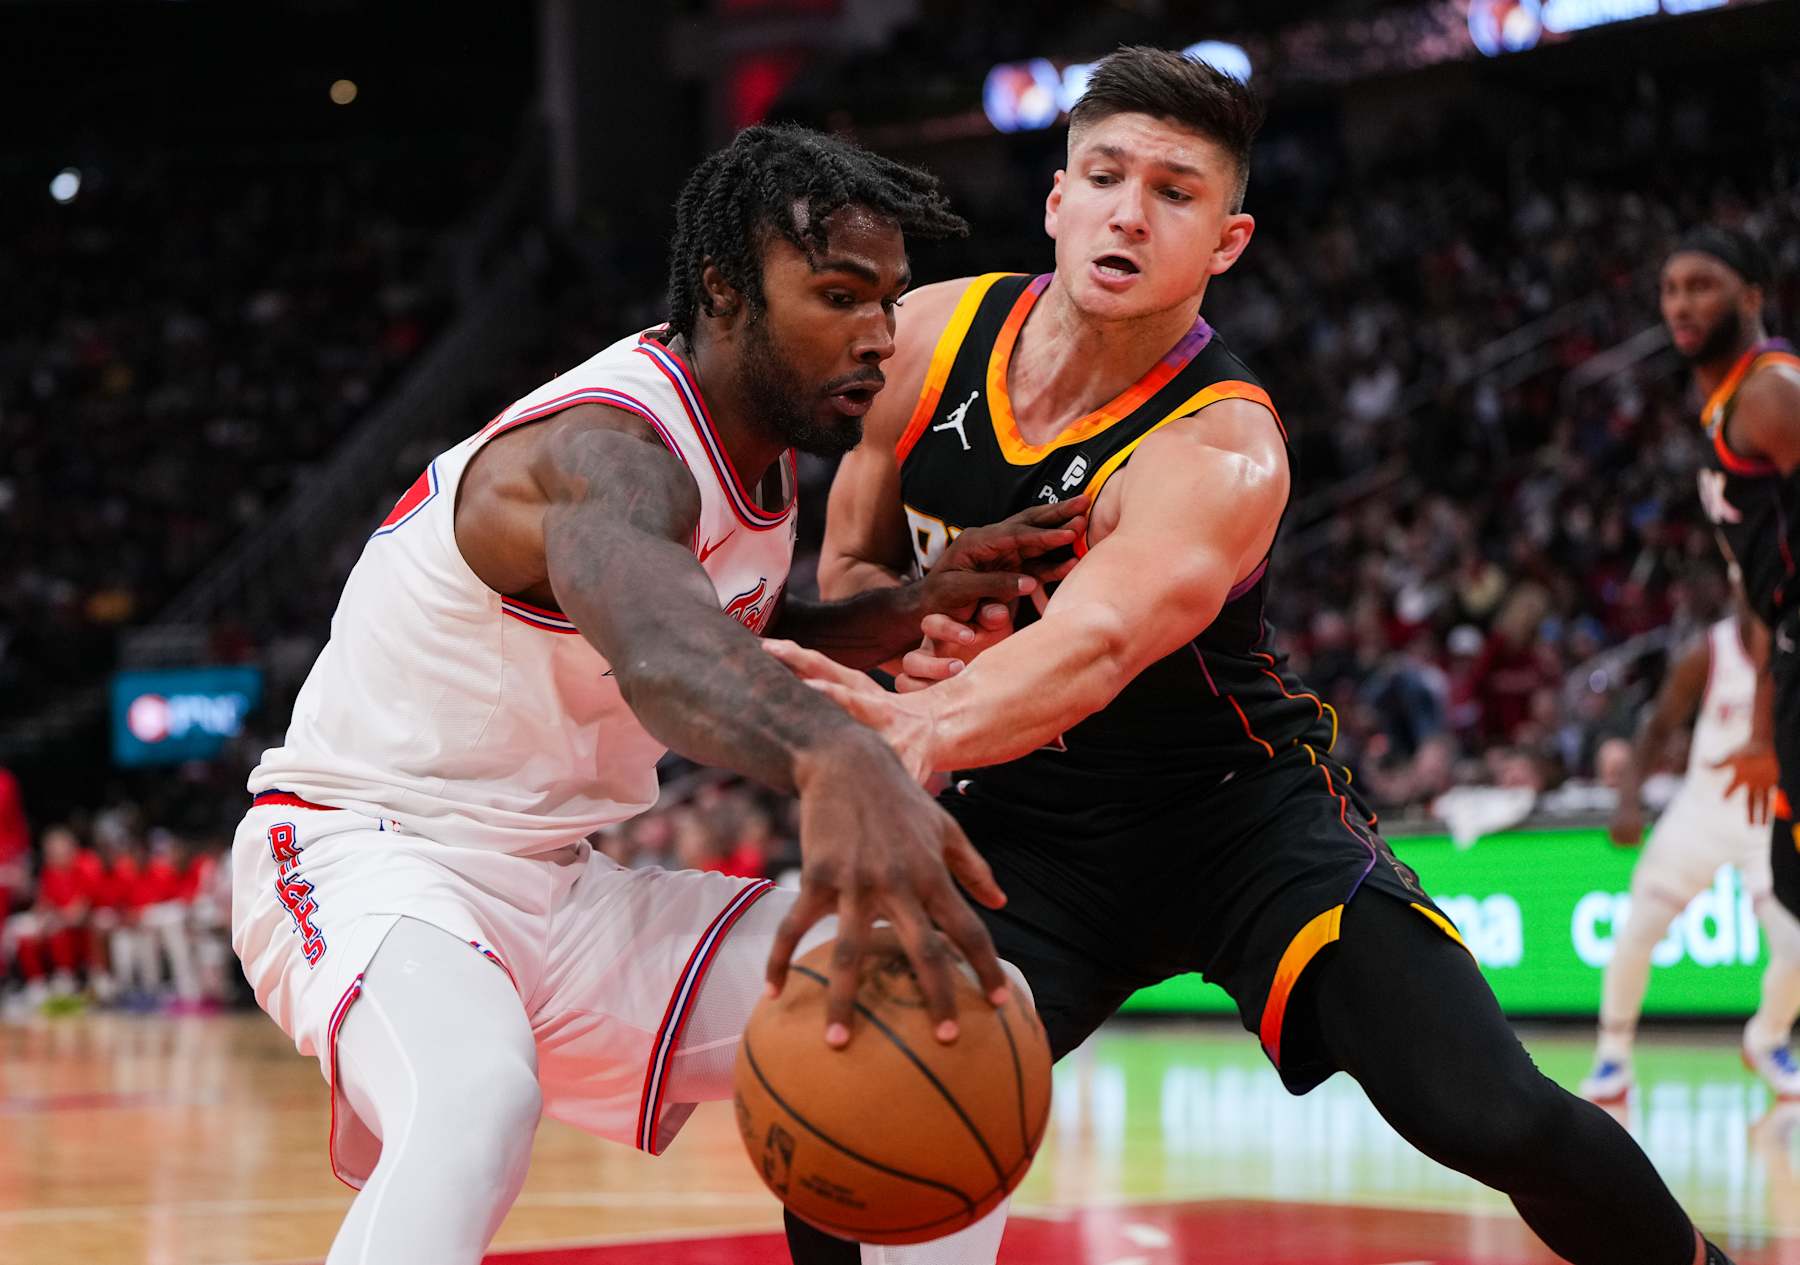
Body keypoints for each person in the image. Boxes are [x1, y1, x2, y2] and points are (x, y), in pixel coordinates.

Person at [771, 46, 1737, 1265]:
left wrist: (925, 718)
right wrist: (910, 624)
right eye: (1107, 175)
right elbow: (852, 569)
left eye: (1176, 192)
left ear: (1225, 242)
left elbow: (1102, 637)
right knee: (847, 1100)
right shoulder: (923, 336)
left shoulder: (1222, 445)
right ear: (1057, 200)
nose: (1132, 209)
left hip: (1237, 821)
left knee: (1485, 1111)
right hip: (1032, 833)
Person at [231, 124, 1081, 1265]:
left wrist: (915, 602)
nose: (880, 336)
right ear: (726, 287)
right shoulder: (610, 450)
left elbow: (730, 618)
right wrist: (843, 753)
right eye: (839, 294)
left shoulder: (758, 455)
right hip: (360, 850)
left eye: (890, 301)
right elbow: (667, 654)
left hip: (560, 888)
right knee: (472, 1099)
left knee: (959, 1013)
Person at [1582, 590, 1800, 1101]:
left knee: (1796, 947)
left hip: (1763, 822)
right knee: (1639, 930)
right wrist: (1629, 800)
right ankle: (1613, 1055)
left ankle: (1766, 1038)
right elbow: (1657, 728)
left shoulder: (1792, 654)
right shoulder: (1707, 652)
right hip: (1699, 813)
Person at [1672, 226, 1800, 928]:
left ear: (1751, 296)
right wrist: (1761, 730)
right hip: (1788, 649)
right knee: (1789, 877)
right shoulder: (1723, 408)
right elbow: (1759, 596)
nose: (1681, 304)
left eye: (1702, 285)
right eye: (1670, 290)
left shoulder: (1771, 393)